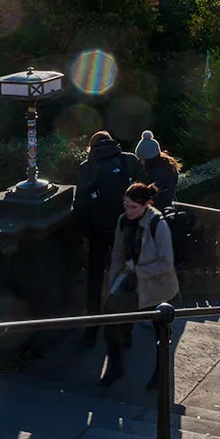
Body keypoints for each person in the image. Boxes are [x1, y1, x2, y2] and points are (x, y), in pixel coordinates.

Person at [101, 182, 179, 386]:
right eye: (126, 205)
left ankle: (159, 374)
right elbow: (117, 251)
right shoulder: (122, 221)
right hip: (129, 280)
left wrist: (138, 272)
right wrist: (114, 281)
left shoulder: (157, 224)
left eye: (133, 207)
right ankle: (115, 367)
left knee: (160, 332)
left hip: (154, 286)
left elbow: (166, 262)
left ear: (145, 205)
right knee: (110, 321)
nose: (128, 210)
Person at [73, 130, 141, 343]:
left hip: (99, 233)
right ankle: (125, 330)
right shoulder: (129, 161)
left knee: (94, 282)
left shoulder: (87, 167)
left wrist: (86, 232)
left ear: (91, 147)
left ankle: (92, 330)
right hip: (127, 231)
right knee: (127, 279)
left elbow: (81, 205)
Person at [135, 130, 180, 210]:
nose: (140, 162)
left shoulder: (154, 173)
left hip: (156, 211)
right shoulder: (169, 166)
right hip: (168, 208)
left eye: (141, 159)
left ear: (147, 159)